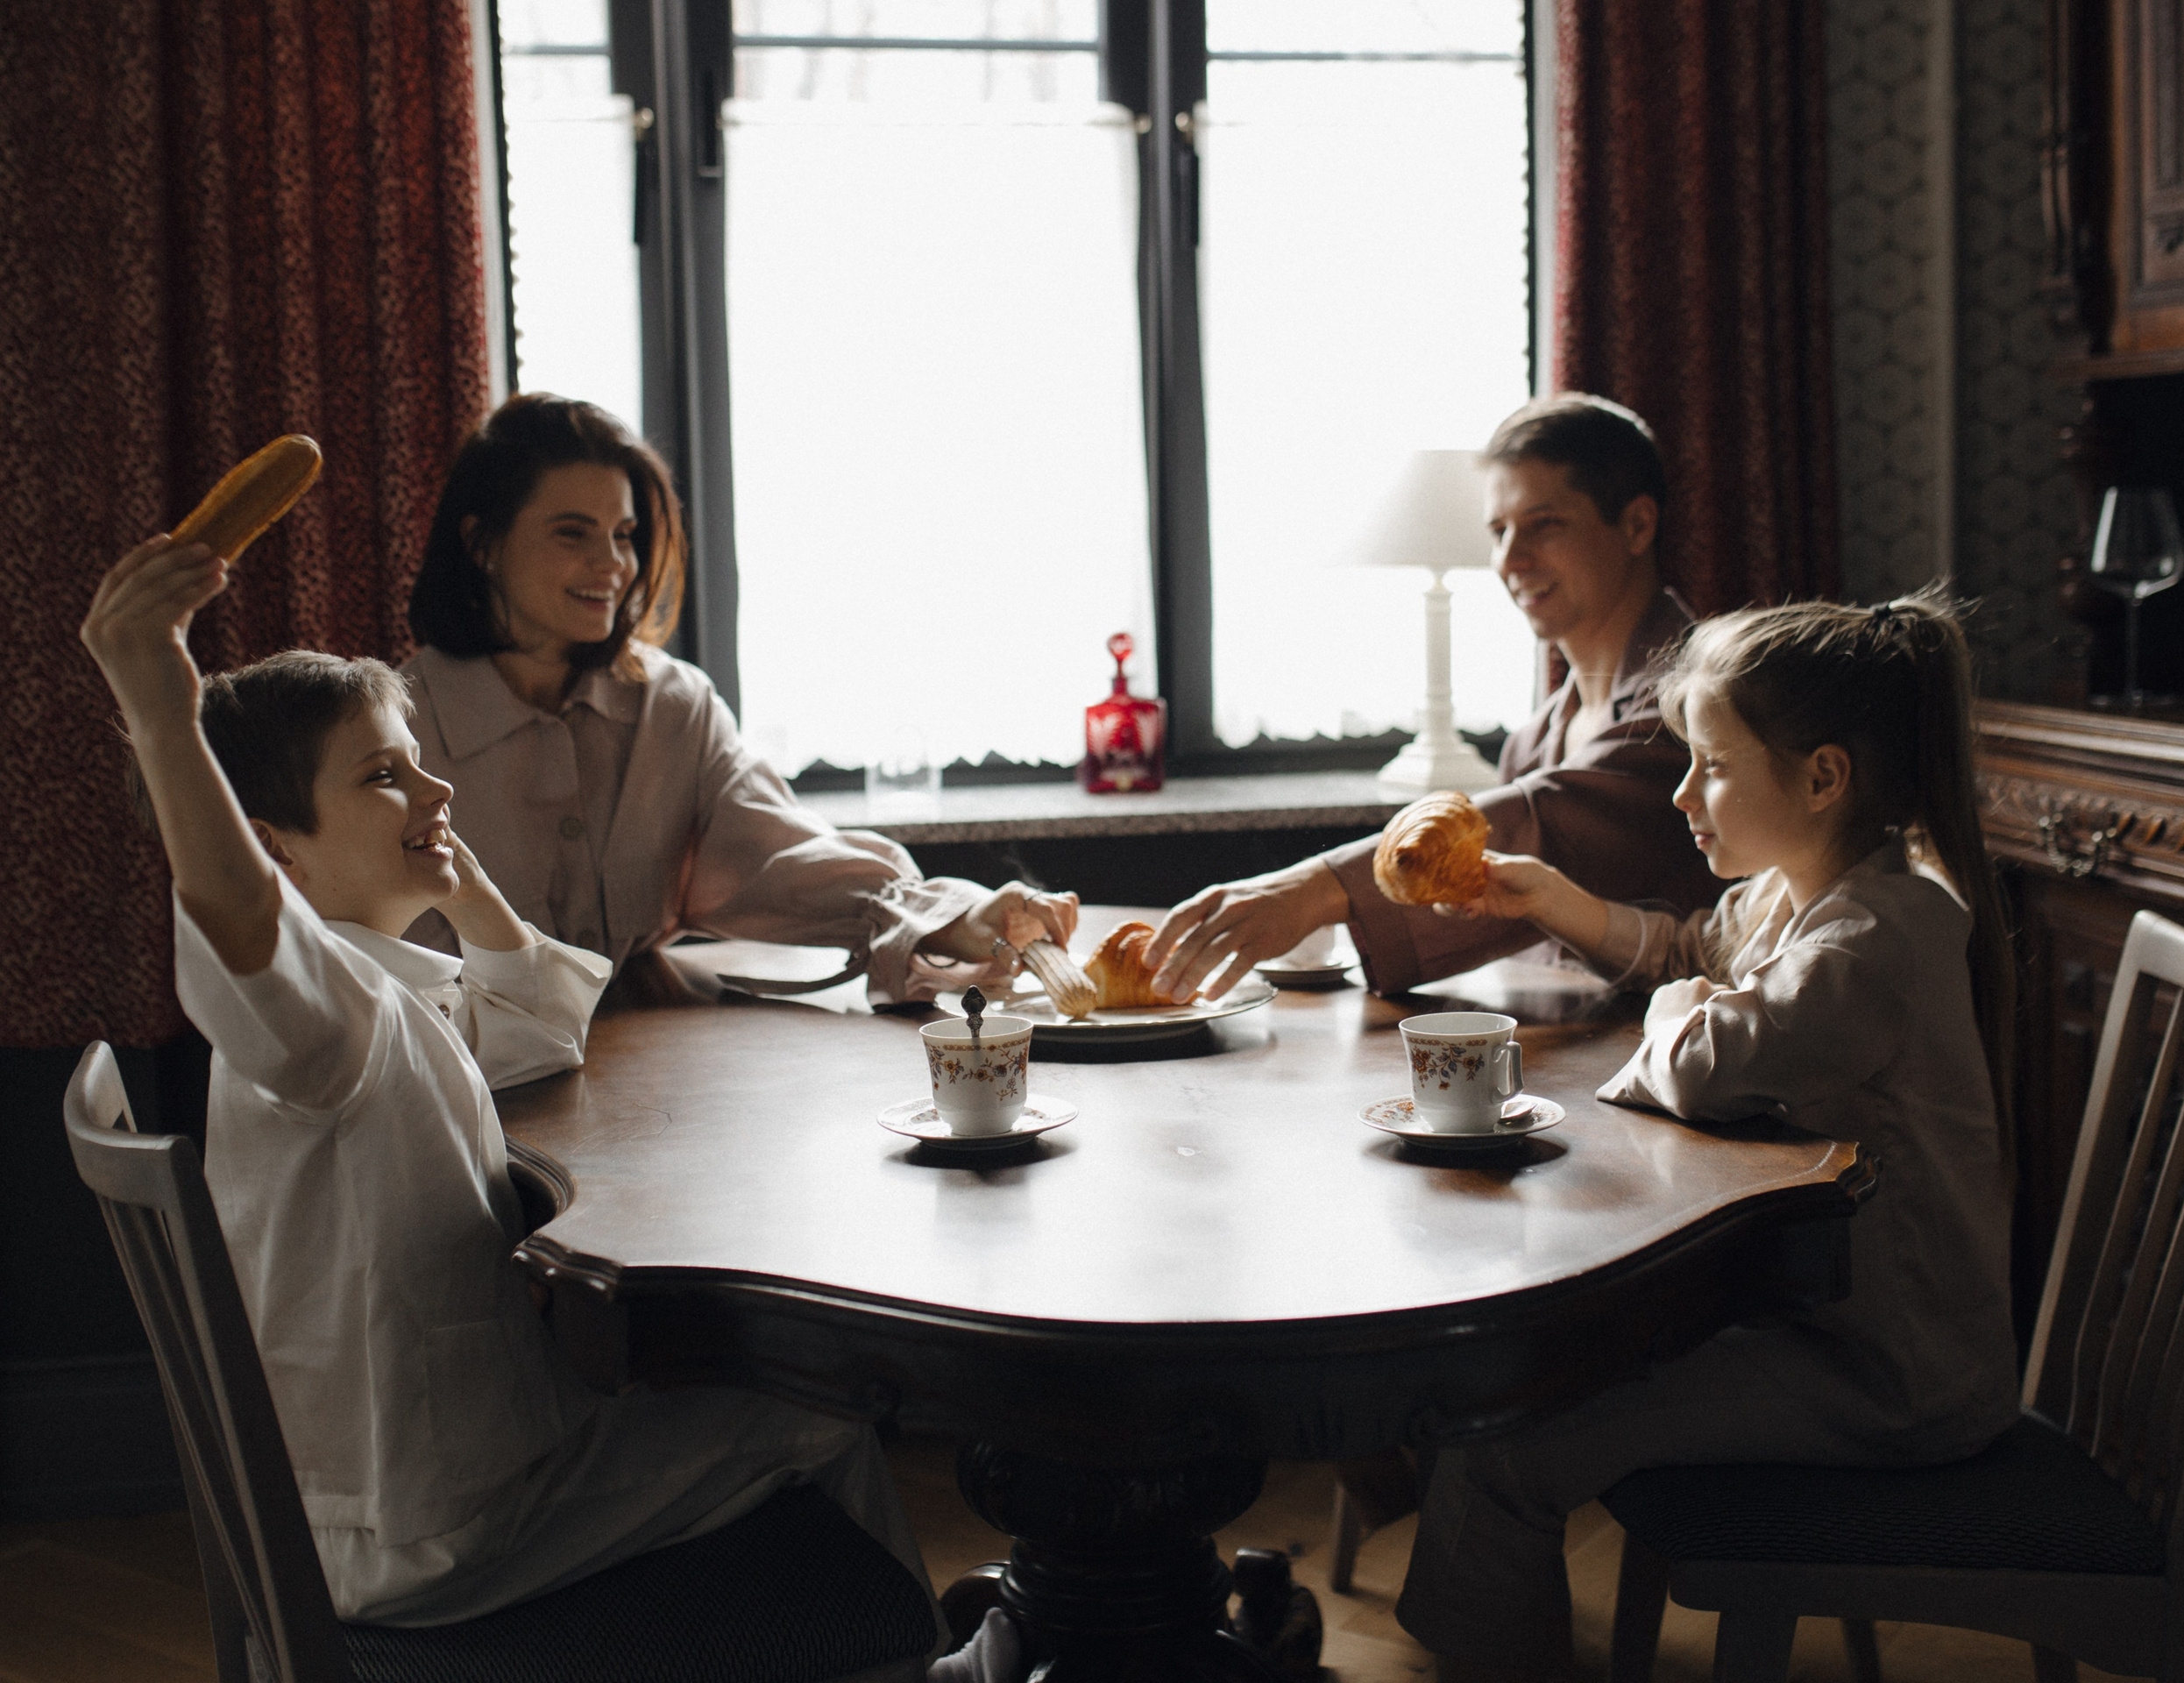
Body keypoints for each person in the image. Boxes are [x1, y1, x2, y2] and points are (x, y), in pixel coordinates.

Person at [78, 534, 932, 1665]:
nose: (437, 787)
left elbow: (535, 1026)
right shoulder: (328, 1028)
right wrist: (159, 708)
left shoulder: (386, 995)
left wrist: (447, 855)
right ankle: (917, 1663)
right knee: (820, 1417)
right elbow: (241, 924)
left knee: (753, 1406)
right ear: (274, 851)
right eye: (383, 776)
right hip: (438, 1527)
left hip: (403, 1494)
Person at [1392, 590, 2018, 1681]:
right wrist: (1551, 902)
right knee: (1507, 1390)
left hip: (1888, 1377)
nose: (1683, 793)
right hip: (1827, 1327)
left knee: (1502, 1442)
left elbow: (1695, 1062)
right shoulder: (1800, 895)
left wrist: (1681, 1011)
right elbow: (1689, 954)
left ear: (1823, 778)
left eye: (1713, 766)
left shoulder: (1873, 942)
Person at [401, 393, 1073, 1001]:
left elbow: (783, 857)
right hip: (452, 1073)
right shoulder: (392, 731)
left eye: (624, 535)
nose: (612, 564)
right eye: (572, 533)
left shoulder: (673, 706)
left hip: (646, 1064)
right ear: (482, 543)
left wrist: (954, 917)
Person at [1145, 394, 1719, 1005]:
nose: (1510, 558)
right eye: (1499, 531)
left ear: (1636, 526)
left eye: (1544, 524)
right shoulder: (1534, 739)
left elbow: (1550, 823)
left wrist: (1312, 891)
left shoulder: (1706, 706)